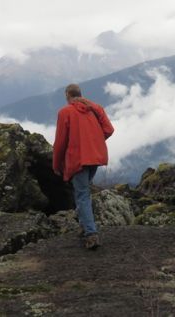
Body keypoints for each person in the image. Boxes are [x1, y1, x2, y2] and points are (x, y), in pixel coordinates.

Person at [53, 83, 114, 250]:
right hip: (96, 156)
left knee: (82, 194)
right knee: (83, 191)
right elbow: (108, 129)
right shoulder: (96, 108)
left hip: (78, 159)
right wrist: (93, 141)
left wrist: (56, 164)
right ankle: (84, 225)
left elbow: (60, 142)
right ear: (81, 94)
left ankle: (91, 234)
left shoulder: (65, 112)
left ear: (67, 96)